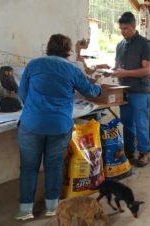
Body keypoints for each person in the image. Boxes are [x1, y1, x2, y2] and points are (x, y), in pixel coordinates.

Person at [15, 34, 101, 220]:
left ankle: (25, 211)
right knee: (53, 166)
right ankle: (52, 208)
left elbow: (22, 94)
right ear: (69, 52)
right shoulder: (73, 69)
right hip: (59, 126)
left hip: (31, 125)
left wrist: (34, 109)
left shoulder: (33, 64)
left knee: (29, 168)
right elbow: (90, 91)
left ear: (48, 48)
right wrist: (100, 87)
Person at [111, 12, 150, 167]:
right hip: (124, 90)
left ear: (134, 26)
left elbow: (147, 70)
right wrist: (107, 69)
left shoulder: (145, 44)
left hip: (140, 90)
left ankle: (144, 153)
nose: (123, 31)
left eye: (126, 28)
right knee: (126, 122)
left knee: (140, 123)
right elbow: (117, 66)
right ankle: (129, 150)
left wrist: (124, 73)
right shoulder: (120, 45)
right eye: (121, 29)